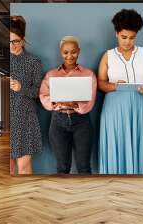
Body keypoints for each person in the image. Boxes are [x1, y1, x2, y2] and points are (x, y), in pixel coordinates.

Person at [98, 9, 143, 174]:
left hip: (141, 103)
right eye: (124, 37)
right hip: (115, 108)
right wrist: (114, 86)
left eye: (132, 37)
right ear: (116, 34)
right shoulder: (108, 56)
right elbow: (100, 83)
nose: (128, 41)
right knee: (117, 143)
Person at [39, 36, 97, 174]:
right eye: (65, 52)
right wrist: (57, 103)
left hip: (81, 121)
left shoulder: (88, 74)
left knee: (84, 166)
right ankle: (63, 195)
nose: (70, 56)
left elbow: (90, 101)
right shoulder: (51, 74)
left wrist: (75, 104)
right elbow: (44, 96)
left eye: (73, 52)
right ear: (61, 52)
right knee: (62, 167)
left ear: (79, 51)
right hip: (58, 121)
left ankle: (87, 195)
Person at [10, 15, 43, 175]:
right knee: (7, 170)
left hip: (25, 119)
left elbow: (38, 92)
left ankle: (26, 199)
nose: (12, 45)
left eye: (15, 41)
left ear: (23, 40)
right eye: (9, 41)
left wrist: (21, 88)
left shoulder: (33, 61)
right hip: (8, 120)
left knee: (23, 168)